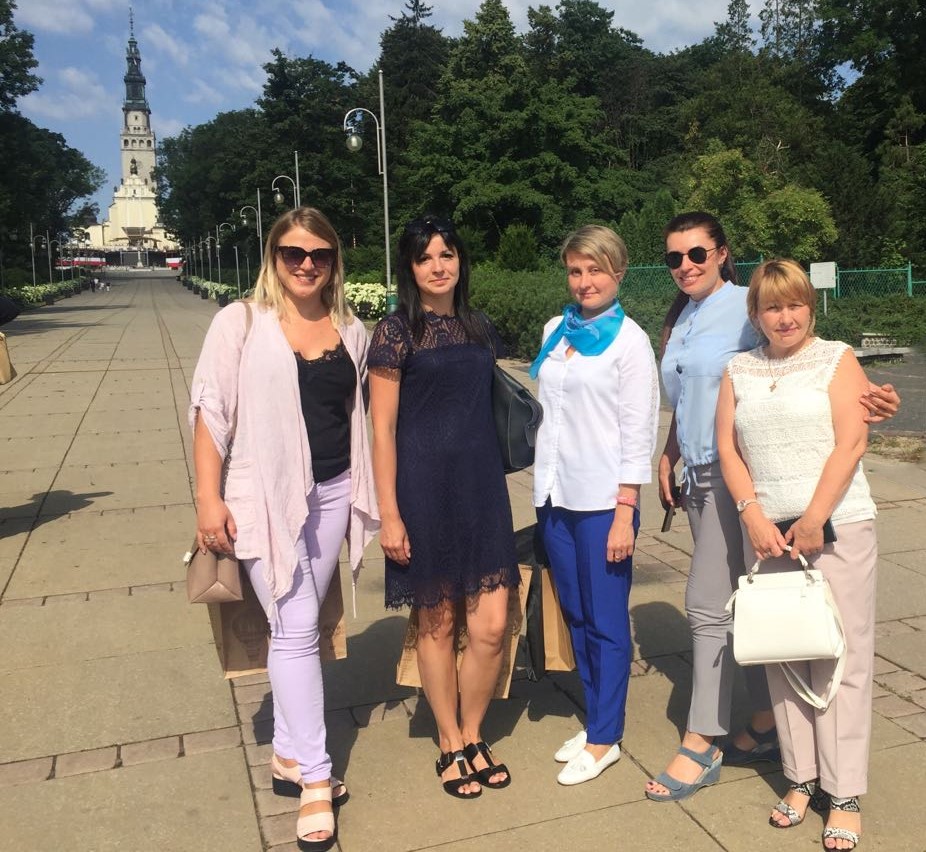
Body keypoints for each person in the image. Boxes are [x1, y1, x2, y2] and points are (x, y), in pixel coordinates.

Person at [647, 211, 899, 803]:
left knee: (712, 607)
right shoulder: (683, 317)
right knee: (769, 618)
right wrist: (671, 451)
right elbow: (698, 397)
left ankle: (705, 740)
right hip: (708, 477)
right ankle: (772, 735)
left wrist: (876, 404)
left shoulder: (749, 312)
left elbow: (829, 398)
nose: (685, 265)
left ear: (722, 253)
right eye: (674, 257)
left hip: (761, 489)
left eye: (697, 253)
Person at [190, 207, 379, 851]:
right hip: (262, 497)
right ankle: (317, 780)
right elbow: (211, 413)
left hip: (333, 492)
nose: (306, 264)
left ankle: (289, 755)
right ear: (273, 257)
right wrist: (207, 498)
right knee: (297, 626)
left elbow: (360, 413)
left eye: (319, 254)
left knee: (292, 626)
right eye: (293, 252)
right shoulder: (240, 322)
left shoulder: (351, 329)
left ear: (334, 262)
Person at [716, 258, 876, 851]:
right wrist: (752, 515)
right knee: (782, 656)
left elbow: (851, 441)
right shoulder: (739, 369)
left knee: (841, 660)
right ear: (755, 314)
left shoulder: (837, 359)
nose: (785, 317)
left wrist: (813, 518)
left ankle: (845, 792)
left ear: (809, 306)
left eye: (794, 304)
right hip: (767, 536)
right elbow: (728, 449)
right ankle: (801, 776)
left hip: (837, 528)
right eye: (772, 307)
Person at [368, 214, 520, 799]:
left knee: (492, 626)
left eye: (447, 254)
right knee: (438, 623)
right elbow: (382, 430)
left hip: (482, 489)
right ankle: (450, 740)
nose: (439, 266)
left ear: (461, 262)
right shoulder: (395, 332)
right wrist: (390, 513)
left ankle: (475, 731)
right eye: (425, 257)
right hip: (423, 492)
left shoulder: (479, 327)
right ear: (410, 268)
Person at [530, 225, 659, 786]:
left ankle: (606, 736)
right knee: (577, 615)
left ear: (619, 272)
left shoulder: (630, 341)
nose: (584, 282)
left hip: (604, 502)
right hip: (555, 495)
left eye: (595, 270)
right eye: (575, 270)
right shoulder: (555, 329)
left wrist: (626, 511)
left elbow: (638, 430)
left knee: (606, 622)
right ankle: (595, 719)